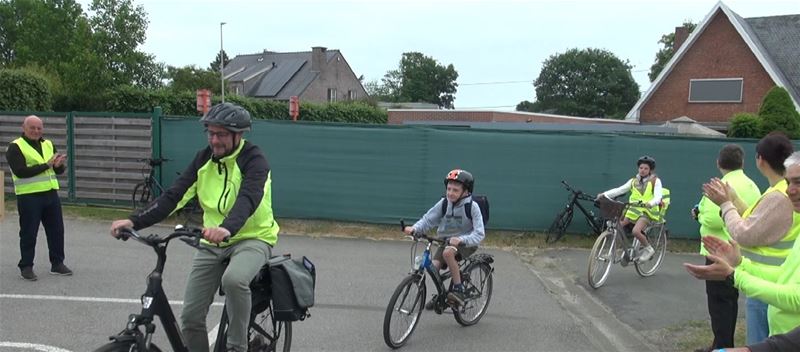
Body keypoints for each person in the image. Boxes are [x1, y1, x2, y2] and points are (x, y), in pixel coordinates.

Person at [109, 102, 280, 352]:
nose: (214, 140)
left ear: (238, 134)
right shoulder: (203, 160)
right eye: (210, 133)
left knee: (234, 280)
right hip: (212, 242)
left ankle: (237, 346)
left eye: (221, 134)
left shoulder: (254, 159)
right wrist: (134, 220)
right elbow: (174, 195)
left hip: (252, 238)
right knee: (190, 318)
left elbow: (249, 199)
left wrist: (227, 228)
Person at [700, 132, 797, 344]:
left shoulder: (779, 195)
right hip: (775, 276)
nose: (794, 190)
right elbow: (757, 222)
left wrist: (725, 205)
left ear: (760, 159)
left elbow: (745, 233)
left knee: (761, 343)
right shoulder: (775, 190)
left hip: (768, 283)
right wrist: (733, 199)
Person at [693, 144, 762, 352]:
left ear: (718, 163)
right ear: (742, 162)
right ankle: (725, 342)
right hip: (740, 252)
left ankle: (722, 345)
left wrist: (700, 215)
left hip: (718, 252)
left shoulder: (721, 184)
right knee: (731, 300)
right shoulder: (752, 185)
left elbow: (715, 220)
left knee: (718, 302)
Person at [403, 169, 485, 307]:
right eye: (449, 189)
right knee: (433, 268)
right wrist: (415, 228)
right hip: (445, 241)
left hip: (466, 243)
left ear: (466, 192)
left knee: (448, 253)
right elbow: (428, 220)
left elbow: (479, 234)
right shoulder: (444, 203)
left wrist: (462, 240)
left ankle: (458, 289)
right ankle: (442, 295)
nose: (450, 193)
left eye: (455, 190)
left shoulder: (472, 207)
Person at [6, 115, 72, 281]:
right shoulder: (15, 147)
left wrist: (58, 166)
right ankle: (26, 266)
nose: (36, 131)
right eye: (32, 128)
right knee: (29, 232)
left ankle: (57, 263)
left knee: (57, 230)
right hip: (29, 196)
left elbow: (57, 170)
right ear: (24, 127)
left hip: (50, 193)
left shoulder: (48, 144)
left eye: (39, 128)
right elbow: (20, 171)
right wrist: (47, 165)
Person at [598, 155, 664, 261]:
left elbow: (658, 196)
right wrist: (604, 194)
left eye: (646, 168)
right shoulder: (633, 181)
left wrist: (651, 203)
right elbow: (620, 190)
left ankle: (649, 249)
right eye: (641, 168)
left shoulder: (655, 181)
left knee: (636, 231)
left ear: (650, 170)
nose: (642, 170)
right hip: (633, 209)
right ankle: (612, 252)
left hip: (647, 211)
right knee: (617, 227)